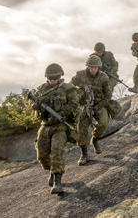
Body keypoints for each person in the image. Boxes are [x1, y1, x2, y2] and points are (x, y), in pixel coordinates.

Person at [32, 63, 78, 194]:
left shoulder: (68, 88)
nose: (53, 81)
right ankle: (52, 171)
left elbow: (74, 104)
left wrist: (61, 114)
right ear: (47, 78)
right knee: (41, 155)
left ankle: (58, 181)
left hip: (60, 126)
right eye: (50, 78)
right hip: (45, 125)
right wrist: (35, 106)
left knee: (57, 151)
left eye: (55, 78)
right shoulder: (41, 89)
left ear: (60, 76)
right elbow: (32, 102)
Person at [70, 55, 112, 165]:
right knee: (81, 127)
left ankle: (95, 139)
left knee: (103, 122)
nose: (93, 69)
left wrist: (100, 105)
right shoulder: (80, 75)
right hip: (85, 104)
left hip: (99, 104)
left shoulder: (103, 77)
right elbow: (69, 87)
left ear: (99, 67)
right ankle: (84, 154)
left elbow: (108, 95)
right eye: (91, 67)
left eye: (95, 67)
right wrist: (80, 92)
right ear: (88, 67)